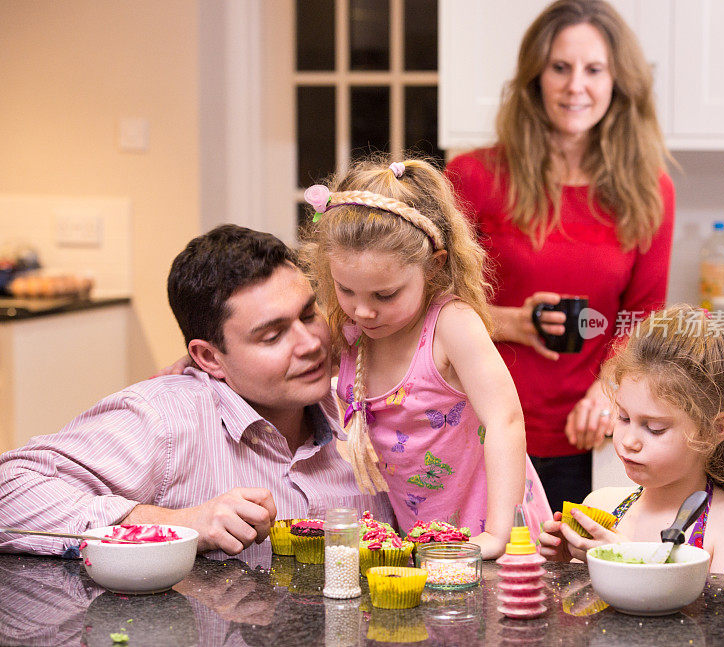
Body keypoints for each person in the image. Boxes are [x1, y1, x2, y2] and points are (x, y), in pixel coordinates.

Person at [0, 225, 394, 566]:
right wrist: (179, 523)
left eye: (309, 315)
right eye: (272, 335)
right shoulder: (165, 419)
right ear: (209, 357)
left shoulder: (366, 404)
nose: (310, 344)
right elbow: (9, 491)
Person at [444, 0, 675, 513]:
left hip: (587, 439)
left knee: (575, 588)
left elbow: (641, 320)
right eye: (560, 68)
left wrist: (608, 393)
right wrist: (510, 322)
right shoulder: (474, 178)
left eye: (594, 69)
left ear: (618, 81)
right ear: (535, 78)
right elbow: (426, 305)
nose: (576, 87)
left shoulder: (649, 192)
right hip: (476, 427)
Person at [299, 156, 551, 559]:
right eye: (346, 290)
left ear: (433, 267)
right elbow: (290, 364)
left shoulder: (452, 325)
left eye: (385, 295)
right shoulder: (349, 331)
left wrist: (500, 534)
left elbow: (505, 420)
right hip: (421, 542)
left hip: (493, 535)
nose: (363, 311)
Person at [538, 305, 724, 575]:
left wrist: (627, 560)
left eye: (655, 428)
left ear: (714, 430)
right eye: (623, 417)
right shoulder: (600, 505)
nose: (629, 441)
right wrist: (564, 569)